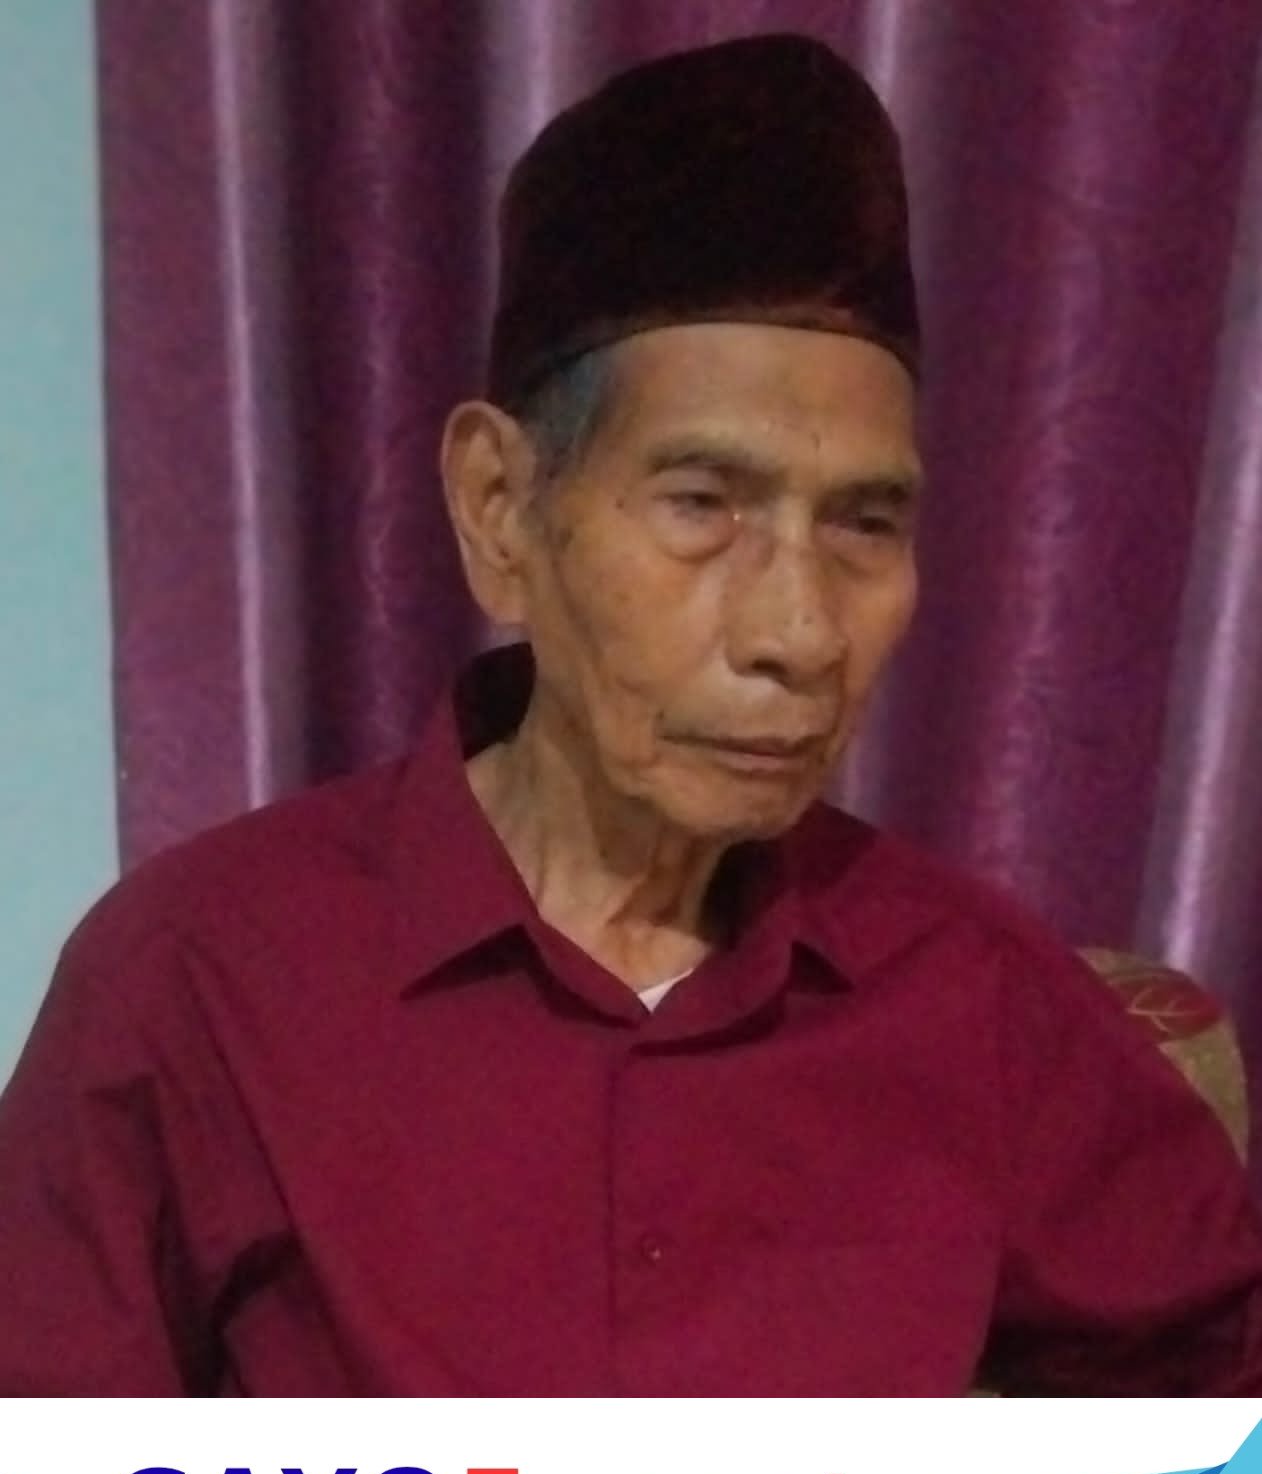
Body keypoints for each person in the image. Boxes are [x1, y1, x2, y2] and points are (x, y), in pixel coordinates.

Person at [1, 32, 1260, 1398]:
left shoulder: (977, 998)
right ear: (500, 509)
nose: (797, 634)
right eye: (702, 506)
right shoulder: (197, 980)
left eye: (864, 523)